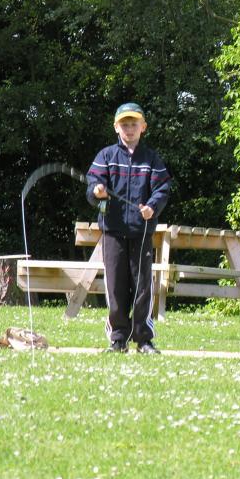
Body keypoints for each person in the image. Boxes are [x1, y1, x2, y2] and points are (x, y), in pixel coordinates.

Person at [87, 102, 171, 355]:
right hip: (112, 231)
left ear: (143, 127)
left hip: (141, 232)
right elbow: (94, 182)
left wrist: (152, 207)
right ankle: (117, 339)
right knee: (115, 286)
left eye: (134, 124)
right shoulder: (106, 156)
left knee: (143, 286)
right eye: (125, 124)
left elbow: (162, 189)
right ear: (116, 128)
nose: (129, 128)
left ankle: (144, 340)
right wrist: (97, 191)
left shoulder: (152, 159)